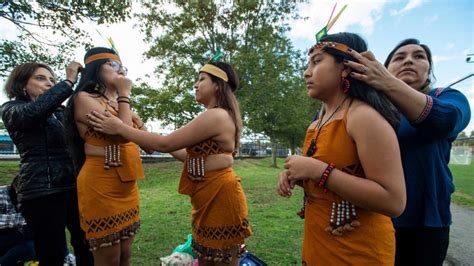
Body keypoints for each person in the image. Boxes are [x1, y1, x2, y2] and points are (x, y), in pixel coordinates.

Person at [87, 60, 252, 265]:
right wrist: (141, 130)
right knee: (207, 258)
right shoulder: (214, 115)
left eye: (201, 79)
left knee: (221, 258)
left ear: (218, 85)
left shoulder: (216, 115)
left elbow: (165, 144)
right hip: (207, 196)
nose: (195, 85)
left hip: (221, 197)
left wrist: (120, 128)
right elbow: (187, 156)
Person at [276, 32, 406, 265]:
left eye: (316, 62)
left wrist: (318, 170)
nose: (306, 72)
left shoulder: (363, 117)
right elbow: (326, 173)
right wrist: (296, 174)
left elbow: (394, 201)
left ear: (345, 68)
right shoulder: (316, 124)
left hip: (358, 252)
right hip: (318, 243)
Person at [344, 38, 471, 266]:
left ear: (429, 69)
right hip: (372, 217)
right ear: (386, 66)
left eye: (419, 56)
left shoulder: (448, 97)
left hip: (426, 224)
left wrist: (388, 83)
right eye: (400, 57)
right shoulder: (369, 108)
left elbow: (443, 121)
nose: (409, 61)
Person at [63, 47, 151, 265]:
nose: (119, 71)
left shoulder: (120, 104)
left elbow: (147, 142)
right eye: (112, 65)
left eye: (121, 67)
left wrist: (124, 103)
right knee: (109, 259)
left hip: (126, 184)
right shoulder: (84, 98)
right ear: (95, 68)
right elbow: (121, 135)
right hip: (100, 183)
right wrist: (124, 95)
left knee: (126, 256)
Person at [1, 62, 93, 266]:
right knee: (52, 253)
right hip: (41, 192)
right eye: (41, 78)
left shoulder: (60, 112)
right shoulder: (12, 109)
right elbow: (34, 111)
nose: (50, 83)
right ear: (22, 84)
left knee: (86, 244)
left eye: (52, 79)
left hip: (73, 186)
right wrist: (68, 81)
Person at [0, 184, 35, 266]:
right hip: (3, 238)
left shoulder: (34, 197)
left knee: (33, 246)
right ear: (15, 187)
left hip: (20, 239)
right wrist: (23, 218)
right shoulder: (2, 193)